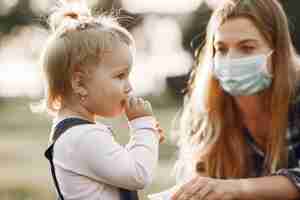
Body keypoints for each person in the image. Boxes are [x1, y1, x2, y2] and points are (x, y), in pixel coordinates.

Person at [171, 0, 300, 199]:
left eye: (247, 48)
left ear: (277, 52)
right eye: (221, 49)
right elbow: (199, 179)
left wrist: (235, 188)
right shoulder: (204, 108)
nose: (231, 59)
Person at [39, 2, 164, 200]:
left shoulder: (76, 134)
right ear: (79, 83)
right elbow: (139, 175)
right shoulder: (83, 137)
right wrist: (142, 128)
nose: (129, 87)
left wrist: (145, 139)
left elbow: (121, 170)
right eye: (120, 76)